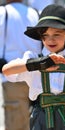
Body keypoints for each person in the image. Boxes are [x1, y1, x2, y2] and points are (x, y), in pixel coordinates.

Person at [2, 4, 65, 130]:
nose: (50, 40)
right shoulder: (33, 58)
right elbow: (7, 71)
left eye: (56, 34)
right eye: (45, 35)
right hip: (41, 122)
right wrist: (39, 63)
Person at [0, 0, 41, 130]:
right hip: (36, 77)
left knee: (15, 125)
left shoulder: (2, 12)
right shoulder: (35, 13)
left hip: (12, 76)